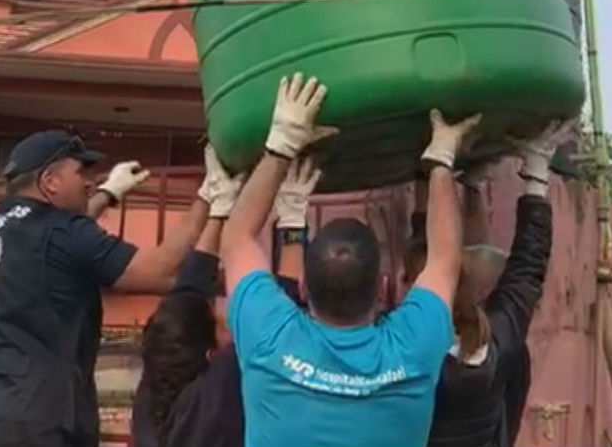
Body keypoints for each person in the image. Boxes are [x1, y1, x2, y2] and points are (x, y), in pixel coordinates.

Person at [220, 73, 481, 447]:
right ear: (382, 287)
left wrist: (282, 143)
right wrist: (441, 159)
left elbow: (237, 239)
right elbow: (444, 259)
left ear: (304, 286)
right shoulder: (412, 348)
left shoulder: (269, 336)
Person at [0, 130, 210, 447]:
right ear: (50, 181)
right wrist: (208, 197)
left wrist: (108, 194)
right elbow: (158, 271)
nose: (88, 182)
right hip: (24, 430)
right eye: (80, 173)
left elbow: (58, 237)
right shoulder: (63, 233)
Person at [402, 120, 573, 447]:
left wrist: (536, 175)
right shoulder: (496, 347)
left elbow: (525, 269)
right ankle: (468, 183)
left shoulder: (406, 356)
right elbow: (525, 269)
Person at [131, 145, 316, 447]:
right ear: (209, 354)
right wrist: (292, 222)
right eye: (219, 325)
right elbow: (279, 318)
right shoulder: (216, 393)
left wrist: (220, 210)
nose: (225, 323)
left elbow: (185, 296)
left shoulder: (154, 396)